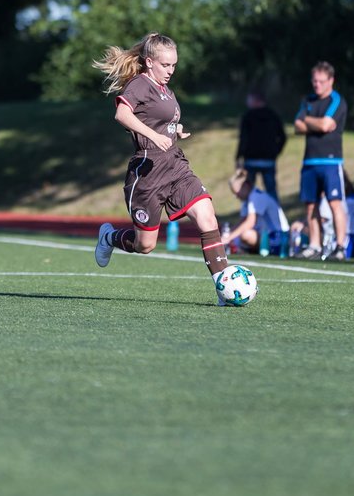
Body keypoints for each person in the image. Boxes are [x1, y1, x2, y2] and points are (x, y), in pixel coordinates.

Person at [92, 33, 237, 302]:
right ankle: (109, 237)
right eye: (165, 65)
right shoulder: (139, 84)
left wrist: (174, 131)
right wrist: (154, 135)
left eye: (174, 66)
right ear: (149, 62)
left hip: (176, 165)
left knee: (207, 217)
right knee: (145, 245)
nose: (170, 71)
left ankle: (224, 287)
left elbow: (163, 121)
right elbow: (122, 114)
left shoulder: (165, 90)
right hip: (147, 171)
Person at [294, 62, 349, 261]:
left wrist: (308, 120)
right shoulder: (307, 100)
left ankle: (340, 246)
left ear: (330, 81)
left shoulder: (337, 101)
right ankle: (314, 245)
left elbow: (326, 125)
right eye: (314, 81)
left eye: (321, 81)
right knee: (310, 205)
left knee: (335, 203)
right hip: (309, 161)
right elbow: (297, 126)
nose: (316, 85)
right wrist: (313, 122)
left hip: (331, 162)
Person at [221, 168, 291, 256]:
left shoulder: (256, 196)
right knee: (238, 236)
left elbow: (250, 223)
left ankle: (252, 250)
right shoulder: (247, 200)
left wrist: (229, 238)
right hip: (265, 235)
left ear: (246, 186)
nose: (236, 196)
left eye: (237, 192)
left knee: (245, 235)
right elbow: (242, 222)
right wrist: (227, 235)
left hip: (278, 235)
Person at [236, 90, 287, 202]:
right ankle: (275, 217)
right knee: (271, 191)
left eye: (249, 100)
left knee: (248, 192)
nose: (247, 103)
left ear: (256, 101)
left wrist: (238, 157)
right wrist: (275, 152)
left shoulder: (247, 116)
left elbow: (243, 139)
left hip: (251, 160)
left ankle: (248, 216)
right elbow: (283, 137)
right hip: (269, 160)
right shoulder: (273, 115)